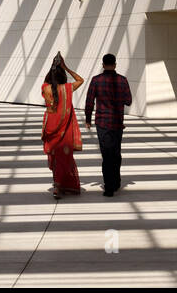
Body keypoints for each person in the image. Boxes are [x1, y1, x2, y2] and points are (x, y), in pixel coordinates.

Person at [85, 53, 132, 196]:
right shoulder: (123, 81)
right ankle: (116, 182)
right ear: (115, 65)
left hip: (103, 123)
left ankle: (109, 187)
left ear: (103, 65)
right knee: (116, 153)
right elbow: (128, 101)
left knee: (107, 155)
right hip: (117, 123)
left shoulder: (96, 80)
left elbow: (89, 102)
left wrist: (88, 119)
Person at [41, 52, 84, 198]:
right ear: (63, 74)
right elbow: (80, 79)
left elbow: (48, 82)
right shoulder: (67, 88)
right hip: (64, 130)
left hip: (50, 127)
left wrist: (53, 67)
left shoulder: (45, 88)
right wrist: (66, 67)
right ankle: (59, 187)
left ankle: (58, 185)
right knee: (63, 158)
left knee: (55, 158)